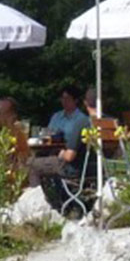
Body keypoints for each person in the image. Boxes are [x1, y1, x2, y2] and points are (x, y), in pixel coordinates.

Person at [29, 84, 94, 214]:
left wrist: (59, 152)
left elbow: (70, 156)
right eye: (62, 98)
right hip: (53, 154)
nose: (64, 101)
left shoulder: (81, 121)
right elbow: (47, 135)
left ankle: (39, 205)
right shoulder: (57, 117)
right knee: (29, 159)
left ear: (75, 100)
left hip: (70, 165)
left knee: (32, 165)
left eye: (67, 98)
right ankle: (51, 199)